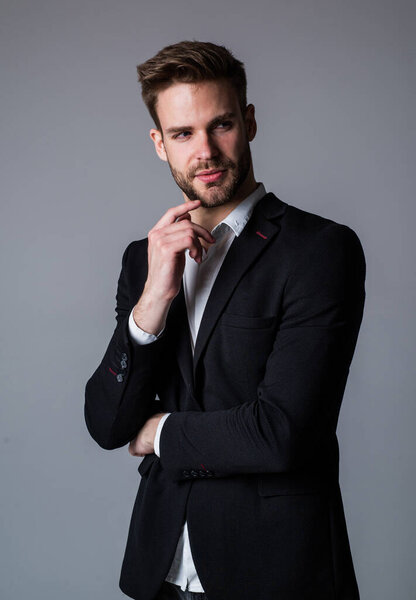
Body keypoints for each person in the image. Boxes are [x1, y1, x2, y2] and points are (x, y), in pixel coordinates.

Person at [85, 40, 366, 600]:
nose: (206, 151)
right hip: (159, 570)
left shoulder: (319, 251)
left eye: (222, 125)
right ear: (159, 144)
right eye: (184, 134)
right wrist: (152, 301)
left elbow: (279, 432)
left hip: (274, 573)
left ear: (250, 122)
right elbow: (107, 424)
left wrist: (159, 431)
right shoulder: (143, 260)